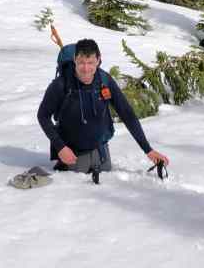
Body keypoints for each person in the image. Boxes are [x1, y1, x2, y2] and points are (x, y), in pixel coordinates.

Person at [37, 38, 170, 176]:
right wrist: (61, 147)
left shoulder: (104, 80)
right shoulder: (61, 84)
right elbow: (43, 116)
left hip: (101, 155)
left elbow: (127, 114)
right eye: (81, 62)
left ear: (98, 60)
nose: (86, 69)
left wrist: (148, 150)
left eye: (90, 62)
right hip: (72, 156)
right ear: (75, 60)